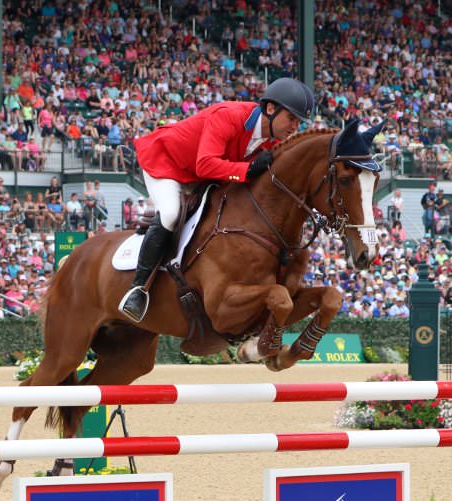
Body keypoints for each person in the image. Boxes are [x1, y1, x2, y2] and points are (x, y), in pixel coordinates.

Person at [118, 77, 315, 322]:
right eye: (292, 118)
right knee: (170, 213)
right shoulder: (229, 116)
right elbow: (205, 164)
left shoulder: (274, 141)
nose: (295, 126)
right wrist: (247, 170)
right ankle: (138, 289)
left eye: (299, 121)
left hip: (205, 175)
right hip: (167, 162)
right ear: (271, 109)